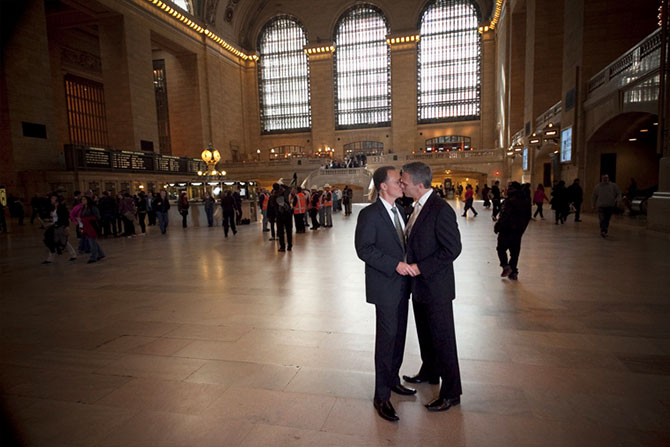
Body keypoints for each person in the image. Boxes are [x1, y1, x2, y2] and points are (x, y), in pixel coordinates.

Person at [400, 161, 463, 413]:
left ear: (418, 183)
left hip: (436, 286)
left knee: (443, 338)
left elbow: (452, 249)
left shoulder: (440, 209)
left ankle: (451, 392)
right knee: (426, 334)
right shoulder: (415, 207)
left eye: (404, 180)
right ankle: (430, 371)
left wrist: (420, 267)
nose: (401, 184)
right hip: (420, 287)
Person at [355, 166, 414, 422]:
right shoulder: (370, 214)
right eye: (396, 181)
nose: (402, 184)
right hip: (385, 285)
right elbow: (364, 249)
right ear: (383, 186)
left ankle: (393, 379)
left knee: (399, 334)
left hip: (403, 285)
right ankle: (381, 396)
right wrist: (395, 265)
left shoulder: (400, 210)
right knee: (387, 338)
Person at [494, 182, 531, 280]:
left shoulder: (509, 201)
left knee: (501, 248)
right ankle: (513, 272)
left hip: (506, 229)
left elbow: (505, 215)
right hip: (518, 230)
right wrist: (522, 228)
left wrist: (498, 226)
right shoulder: (526, 201)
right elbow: (528, 216)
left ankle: (506, 266)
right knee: (515, 252)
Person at [43, 194, 77, 263]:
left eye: (53, 198)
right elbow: (55, 218)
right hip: (55, 226)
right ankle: (51, 257)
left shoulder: (61, 208)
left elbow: (64, 218)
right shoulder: (53, 207)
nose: (51, 199)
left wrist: (64, 226)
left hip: (60, 226)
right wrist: (49, 220)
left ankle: (73, 255)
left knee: (63, 241)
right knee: (52, 240)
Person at [79, 196, 105, 263]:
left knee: (92, 241)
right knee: (92, 241)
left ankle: (94, 257)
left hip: (92, 226)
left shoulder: (92, 207)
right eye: (82, 199)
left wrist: (89, 219)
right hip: (86, 226)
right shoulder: (83, 208)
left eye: (84, 199)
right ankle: (100, 254)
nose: (83, 201)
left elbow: (98, 217)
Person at [275, 184, 293, 251]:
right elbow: (288, 188)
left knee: (281, 232)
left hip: (279, 216)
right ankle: (289, 245)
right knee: (289, 231)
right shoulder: (285, 194)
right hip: (288, 215)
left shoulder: (274, 196)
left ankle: (282, 246)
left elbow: (273, 207)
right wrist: (282, 184)